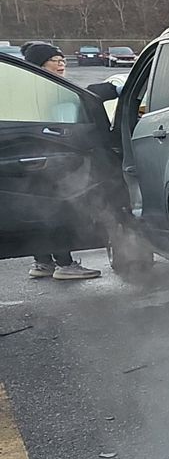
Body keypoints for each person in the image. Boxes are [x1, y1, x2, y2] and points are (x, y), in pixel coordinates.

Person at [21, 42, 101, 281]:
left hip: (29, 159)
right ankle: (64, 264)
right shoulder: (43, 89)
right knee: (56, 211)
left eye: (62, 59)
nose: (61, 63)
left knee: (40, 212)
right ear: (39, 64)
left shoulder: (33, 87)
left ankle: (43, 261)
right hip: (45, 158)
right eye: (54, 60)